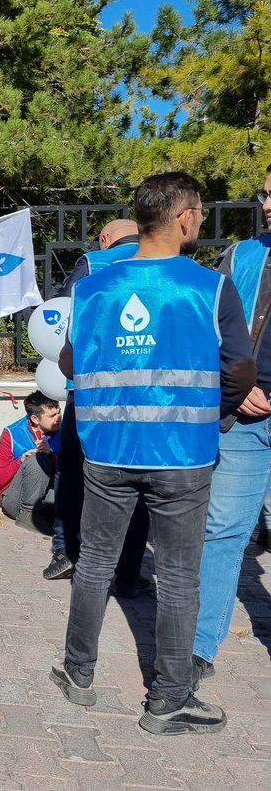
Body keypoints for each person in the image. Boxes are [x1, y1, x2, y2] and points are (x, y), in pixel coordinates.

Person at [51, 172, 255, 735]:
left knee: (93, 563)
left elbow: (70, 363)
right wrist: (214, 413)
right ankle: (167, 701)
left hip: (107, 449)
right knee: (180, 576)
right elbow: (240, 369)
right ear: (186, 217)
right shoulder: (210, 287)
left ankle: (78, 673)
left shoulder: (92, 287)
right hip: (183, 455)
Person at [192, 166, 271, 687]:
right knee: (223, 531)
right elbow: (212, 325)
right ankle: (197, 650)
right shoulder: (243, 255)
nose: (267, 203)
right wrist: (235, 387)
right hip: (245, 416)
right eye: (265, 192)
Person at [46, 217, 152, 592]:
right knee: (139, 476)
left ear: (106, 238)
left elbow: (73, 325)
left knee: (73, 470)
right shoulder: (162, 259)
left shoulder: (92, 264)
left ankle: (67, 554)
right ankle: (127, 573)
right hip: (146, 394)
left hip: (92, 390)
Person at [0, 391, 61, 530]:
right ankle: (28, 516)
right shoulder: (12, 433)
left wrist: (52, 456)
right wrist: (21, 461)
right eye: (52, 416)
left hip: (48, 494)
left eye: (59, 412)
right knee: (36, 460)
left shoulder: (65, 431)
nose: (58, 418)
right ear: (35, 418)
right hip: (17, 501)